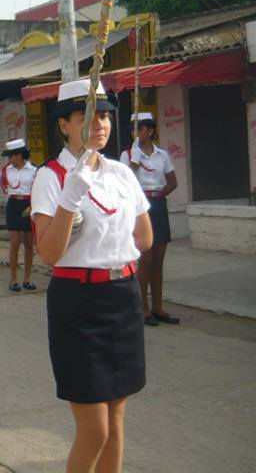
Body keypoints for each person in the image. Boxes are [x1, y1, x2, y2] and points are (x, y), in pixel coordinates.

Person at [31, 79, 153, 472]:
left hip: (123, 296)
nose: (99, 124)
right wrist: (71, 198)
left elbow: (145, 237)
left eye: (104, 116)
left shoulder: (121, 173)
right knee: (94, 429)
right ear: (64, 124)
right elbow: (49, 253)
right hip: (78, 302)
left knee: (116, 419)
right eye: (88, 117)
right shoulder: (50, 176)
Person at [121, 112, 179, 327]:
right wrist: (134, 161)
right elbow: (123, 181)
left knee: (158, 260)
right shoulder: (128, 155)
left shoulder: (161, 155)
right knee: (145, 260)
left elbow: (173, 181)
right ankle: (141, 308)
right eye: (133, 129)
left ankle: (158, 307)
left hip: (158, 205)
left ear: (150, 131)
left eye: (140, 129)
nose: (135, 133)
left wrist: (160, 195)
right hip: (139, 207)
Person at [0, 139, 38, 291]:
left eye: (11, 156)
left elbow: (41, 189)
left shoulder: (34, 170)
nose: (9, 159)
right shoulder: (6, 170)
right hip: (13, 206)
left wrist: (35, 206)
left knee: (29, 244)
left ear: (20, 155)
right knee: (15, 243)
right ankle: (13, 279)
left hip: (30, 205)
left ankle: (28, 279)